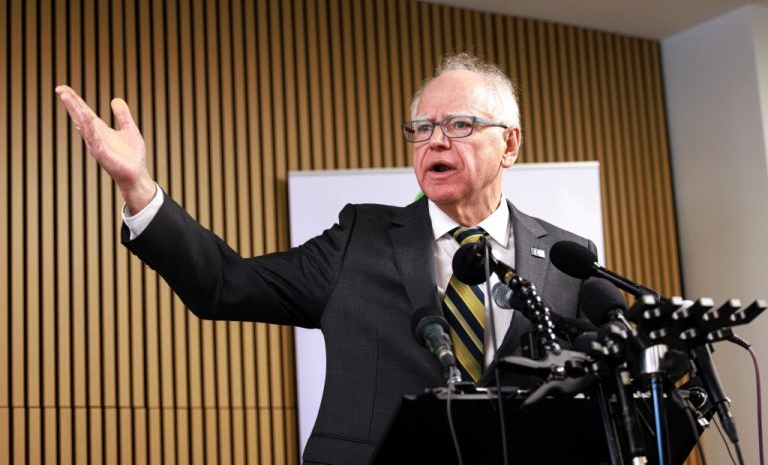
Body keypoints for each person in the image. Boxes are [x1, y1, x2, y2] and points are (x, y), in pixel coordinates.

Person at [56, 52, 595, 464]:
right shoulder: (359, 239)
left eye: (458, 125)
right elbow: (224, 283)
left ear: (511, 144)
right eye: (422, 129)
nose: (434, 142)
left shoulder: (570, 260)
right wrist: (139, 186)